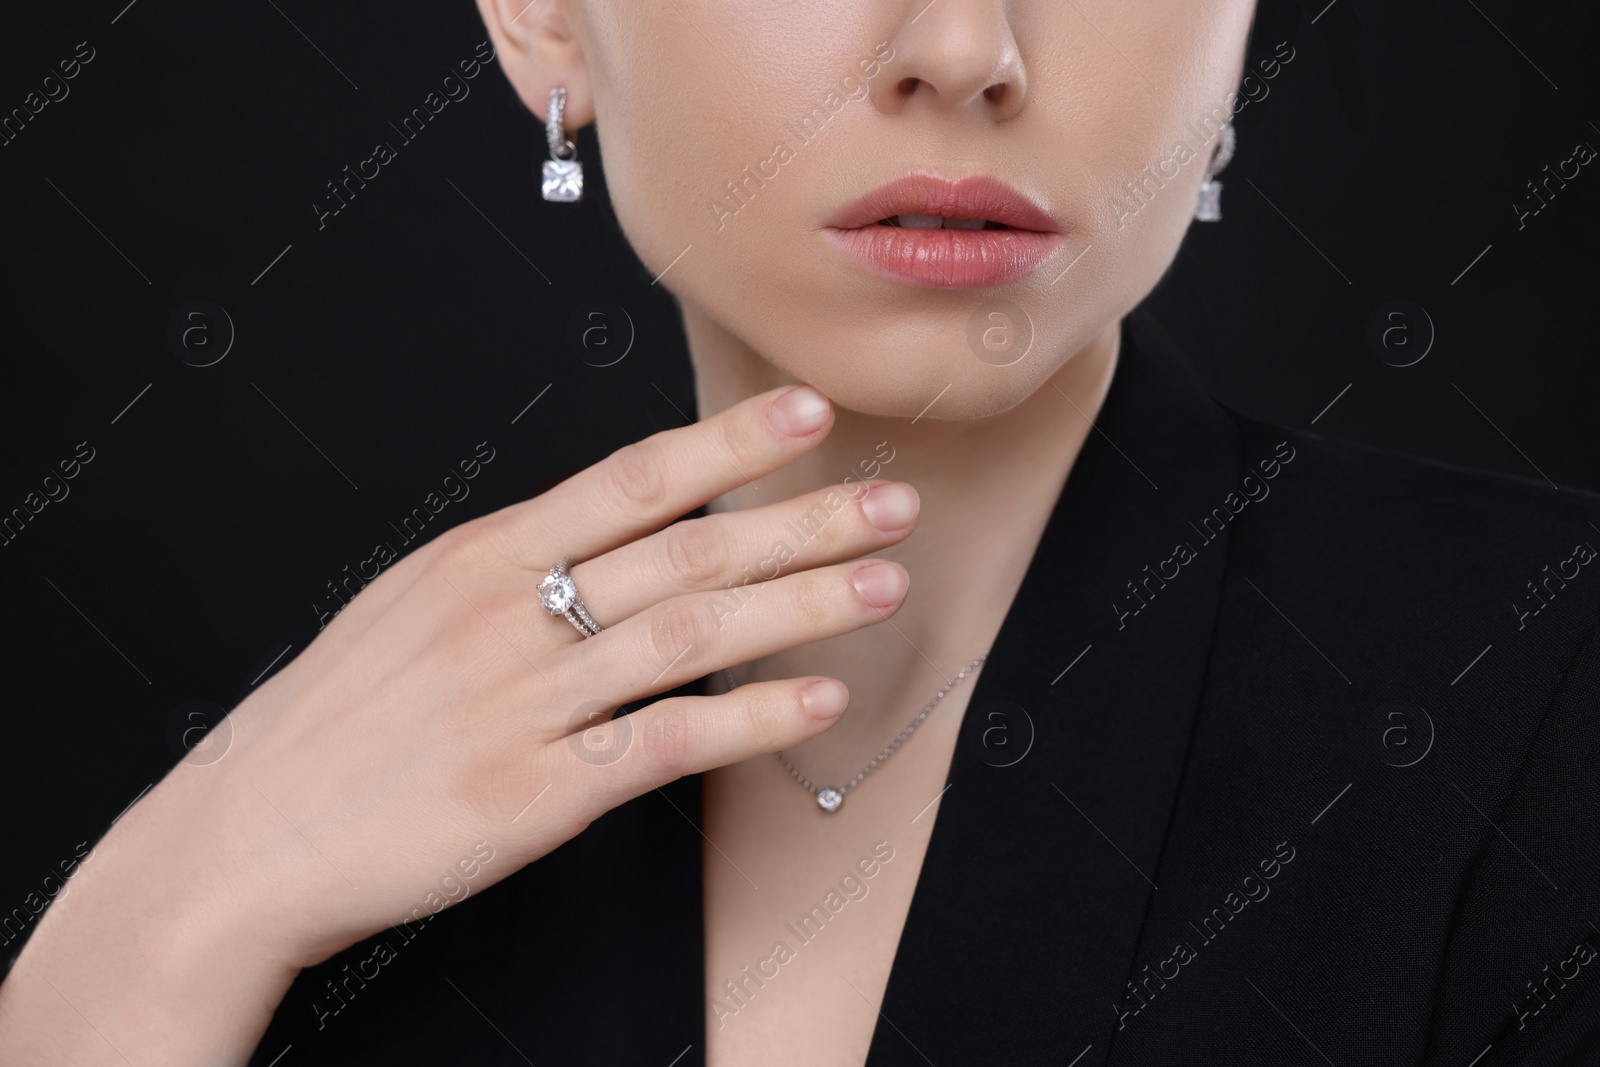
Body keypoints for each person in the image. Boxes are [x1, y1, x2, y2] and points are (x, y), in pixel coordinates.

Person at [3, 1, 1598, 1064]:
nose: (968, 47)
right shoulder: (310, 803)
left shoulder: (1540, 687)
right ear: (547, 17)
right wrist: (157, 931)